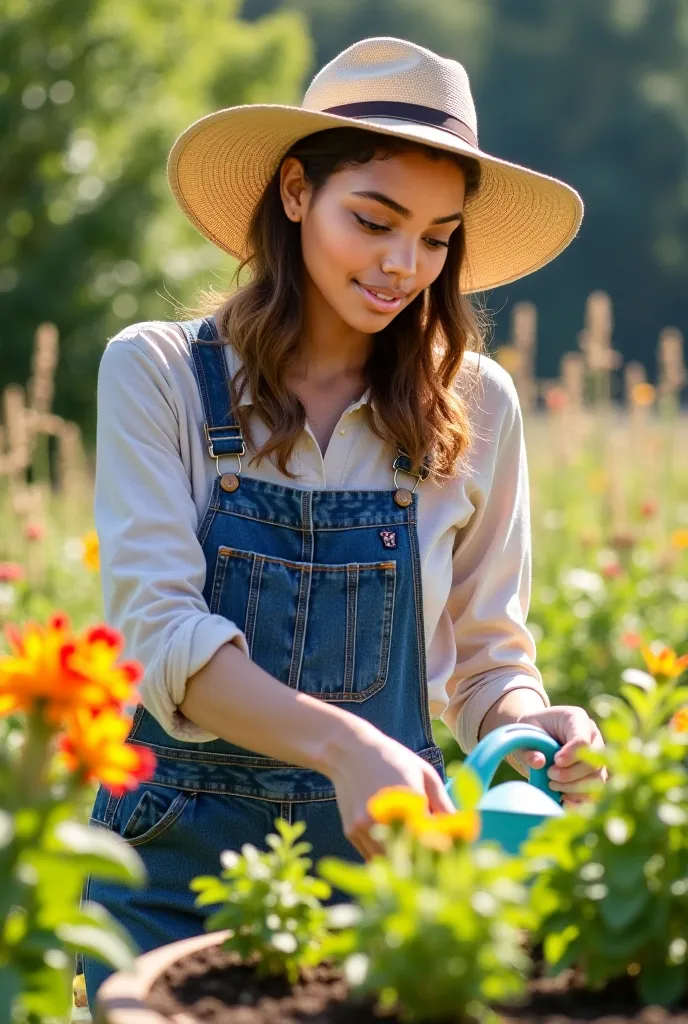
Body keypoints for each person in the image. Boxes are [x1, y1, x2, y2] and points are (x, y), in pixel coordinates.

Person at [83, 36, 606, 1008]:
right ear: (293, 192)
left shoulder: (476, 407)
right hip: (164, 877)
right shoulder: (155, 373)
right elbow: (157, 638)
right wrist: (345, 746)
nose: (404, 264)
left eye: (439, 235)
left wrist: (534, 729)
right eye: (373, 219)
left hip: (385, 886)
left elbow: (488, 659)